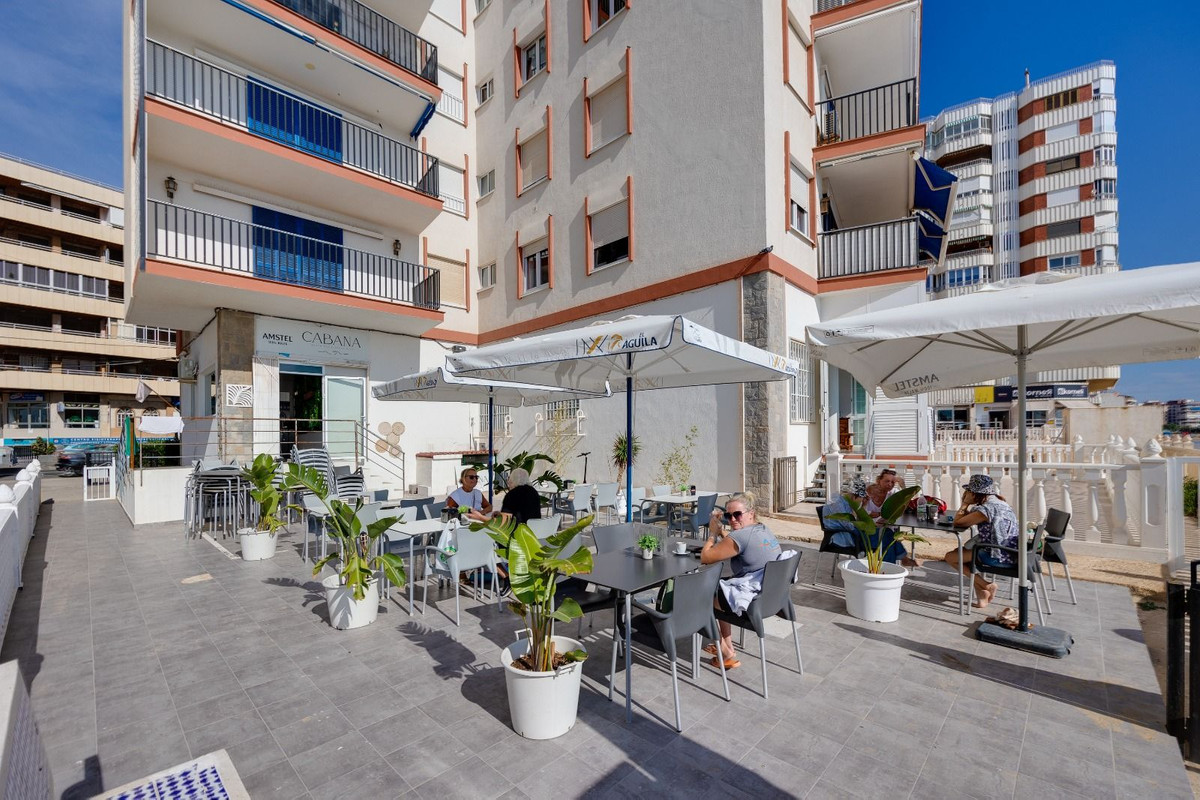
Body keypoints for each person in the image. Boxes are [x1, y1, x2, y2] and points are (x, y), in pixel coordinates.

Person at [701, 492, 782, 669]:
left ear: (751, 513)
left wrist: (712, 534)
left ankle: (726, 652)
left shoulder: (740, 537)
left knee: (700, 597)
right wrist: (721, 531)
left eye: (737, 514)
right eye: (728, 515)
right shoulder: (762, 528)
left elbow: (706, 557)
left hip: (752, 601)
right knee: (720, 588)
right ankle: (728, 645)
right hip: (770, 596)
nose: (732, 520)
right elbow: (736, 544)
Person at [944, 474, 1019, 608]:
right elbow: (970, 518)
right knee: (960, 553)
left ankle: (987, 586)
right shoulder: (999, 503)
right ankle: (982, 595)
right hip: (1010, 552)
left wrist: (965, 503)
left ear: (975, 493)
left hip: (998, 556)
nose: (966, 494)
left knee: (951, 557)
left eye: (968, 491)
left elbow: (958, 522)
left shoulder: (985, 510)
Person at [820, 477, 911, 565]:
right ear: (855, 496)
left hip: (852, 533)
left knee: (886, 533)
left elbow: (857, 522)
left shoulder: (845, 501)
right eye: (862, 497)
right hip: (846, 538)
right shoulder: (839, 505)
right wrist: (869, 525)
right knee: (886, 537)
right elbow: (850, 526)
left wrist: (863, 506)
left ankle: (893, 565)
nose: (863, 500)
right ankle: (895, 563)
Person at [865, 469, 920, 567]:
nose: (890, 484)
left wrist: (903, 486)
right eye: (887, 481)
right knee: (889, 537)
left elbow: (906, 503)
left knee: (887, 538)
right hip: (869, 532)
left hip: (885, 531)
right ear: (879, 480)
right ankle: (902, 560)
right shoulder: (869, 491)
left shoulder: (893, 493)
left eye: (893, 482)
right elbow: (859, 512)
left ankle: (888, 569)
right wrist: (873, 516)